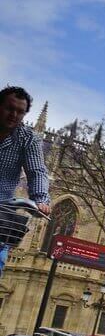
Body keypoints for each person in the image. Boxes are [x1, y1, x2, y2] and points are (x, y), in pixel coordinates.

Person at [0, 87, 50, 280]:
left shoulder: (28, 139)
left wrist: (41, 199)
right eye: (9, 108)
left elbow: (37, 171)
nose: (14, 115)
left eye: (20, 112)